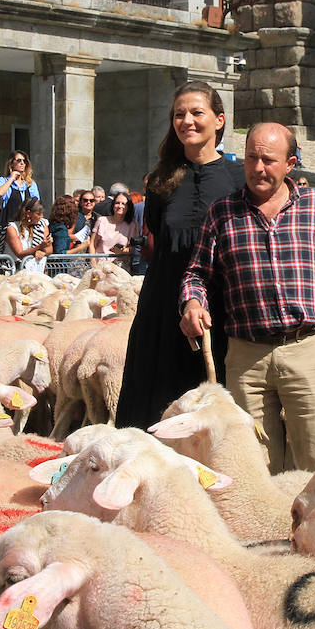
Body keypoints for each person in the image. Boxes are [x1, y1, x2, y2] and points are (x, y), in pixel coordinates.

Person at [180, 123, 315, 471]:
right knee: (252, 466)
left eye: (269, 159)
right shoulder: (222, 212)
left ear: (290, 163)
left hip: (307, 349)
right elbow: (196, 274)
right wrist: (192, 303)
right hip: (246, 357)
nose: (258, 168)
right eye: (251, 158)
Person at [116, 79, 243, 429]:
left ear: (219, 120)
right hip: (165, 303)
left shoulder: (239, 178)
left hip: (223, 304)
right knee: (160, 398)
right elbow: (158, 236)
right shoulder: (160, 180)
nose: (186, 120)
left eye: (196, 112)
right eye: (178, 114)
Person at [0, 149, 40, 244]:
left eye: (24, 161)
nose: (22, 163)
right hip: (9, 227)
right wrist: (12, 178)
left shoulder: (30, 184)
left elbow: (36, 204)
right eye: (18, 160)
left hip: (26, 227)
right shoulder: (3, 180)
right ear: (11, 163)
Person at [2, 197, 52, 273]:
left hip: (35, 271)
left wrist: (43, 252)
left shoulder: (42, 225)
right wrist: (40, 247)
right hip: (15, 271)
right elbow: (19, 253)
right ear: (28, 213)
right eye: (38, 214)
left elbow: (49, 248)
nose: (41, 216)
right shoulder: (12, 228)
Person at [91, 191, 138, 259]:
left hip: (121, 266)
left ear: (128, 207)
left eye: (123, 204)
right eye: (117, 203)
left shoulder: (133, 225)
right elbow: (92, 244)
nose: (120, 206)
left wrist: (122, 251)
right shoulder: (102, 221)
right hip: (101, 264)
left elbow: (132, 249)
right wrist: (93, 265)